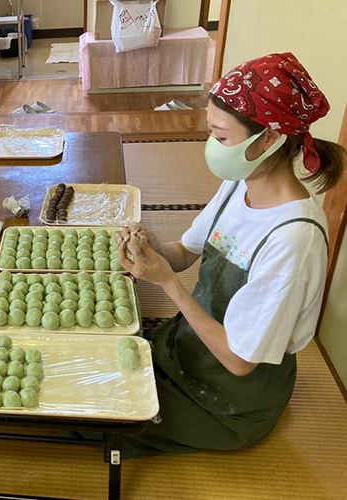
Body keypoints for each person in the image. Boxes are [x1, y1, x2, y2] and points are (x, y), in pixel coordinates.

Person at [115, 53, 345, 458]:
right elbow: (186, 251)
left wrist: (168, 283)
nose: (212, 148)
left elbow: (241, 360)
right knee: (101, 375)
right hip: (188, 346)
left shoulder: (293, 239)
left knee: (99, 425)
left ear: (270, 139)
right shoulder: (241, 183)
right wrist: (150, 249)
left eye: (222, 138)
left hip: (229, 398)